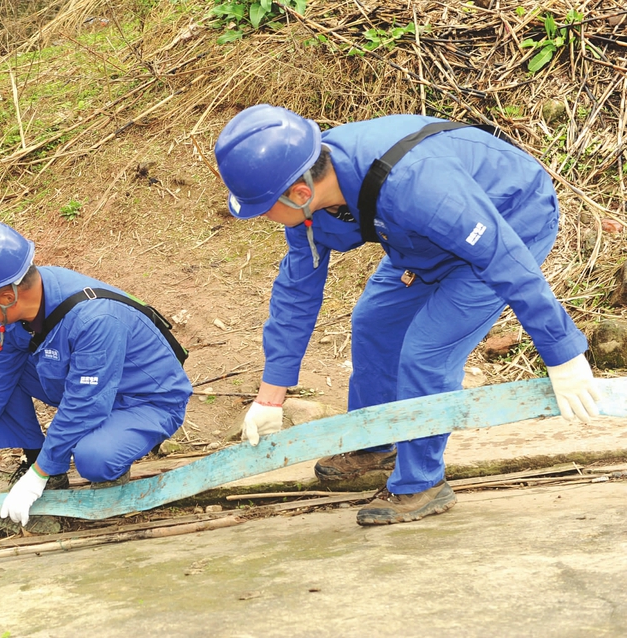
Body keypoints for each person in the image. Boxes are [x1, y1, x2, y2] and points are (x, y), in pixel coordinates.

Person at [214, 104, 600, 526]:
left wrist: (561, 353)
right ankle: (375, 443)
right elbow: (297, 290)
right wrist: (272, 394)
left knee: (426, 351)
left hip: (507, 223)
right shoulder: (310, 193)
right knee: (373, 324)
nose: (262, 216)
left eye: (263, 206)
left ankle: (422, 484)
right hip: (421, 240)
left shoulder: (417, 184)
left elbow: (502, 258)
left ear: (300, 192)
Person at [0, 220, 192, 525]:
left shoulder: (95, 318)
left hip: (144, 399)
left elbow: (85, 404)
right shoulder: (15, 304)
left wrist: (35, 479)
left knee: (94, 457)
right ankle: (44, 464)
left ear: (7, 297)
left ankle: (101, 467)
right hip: (91, 383)